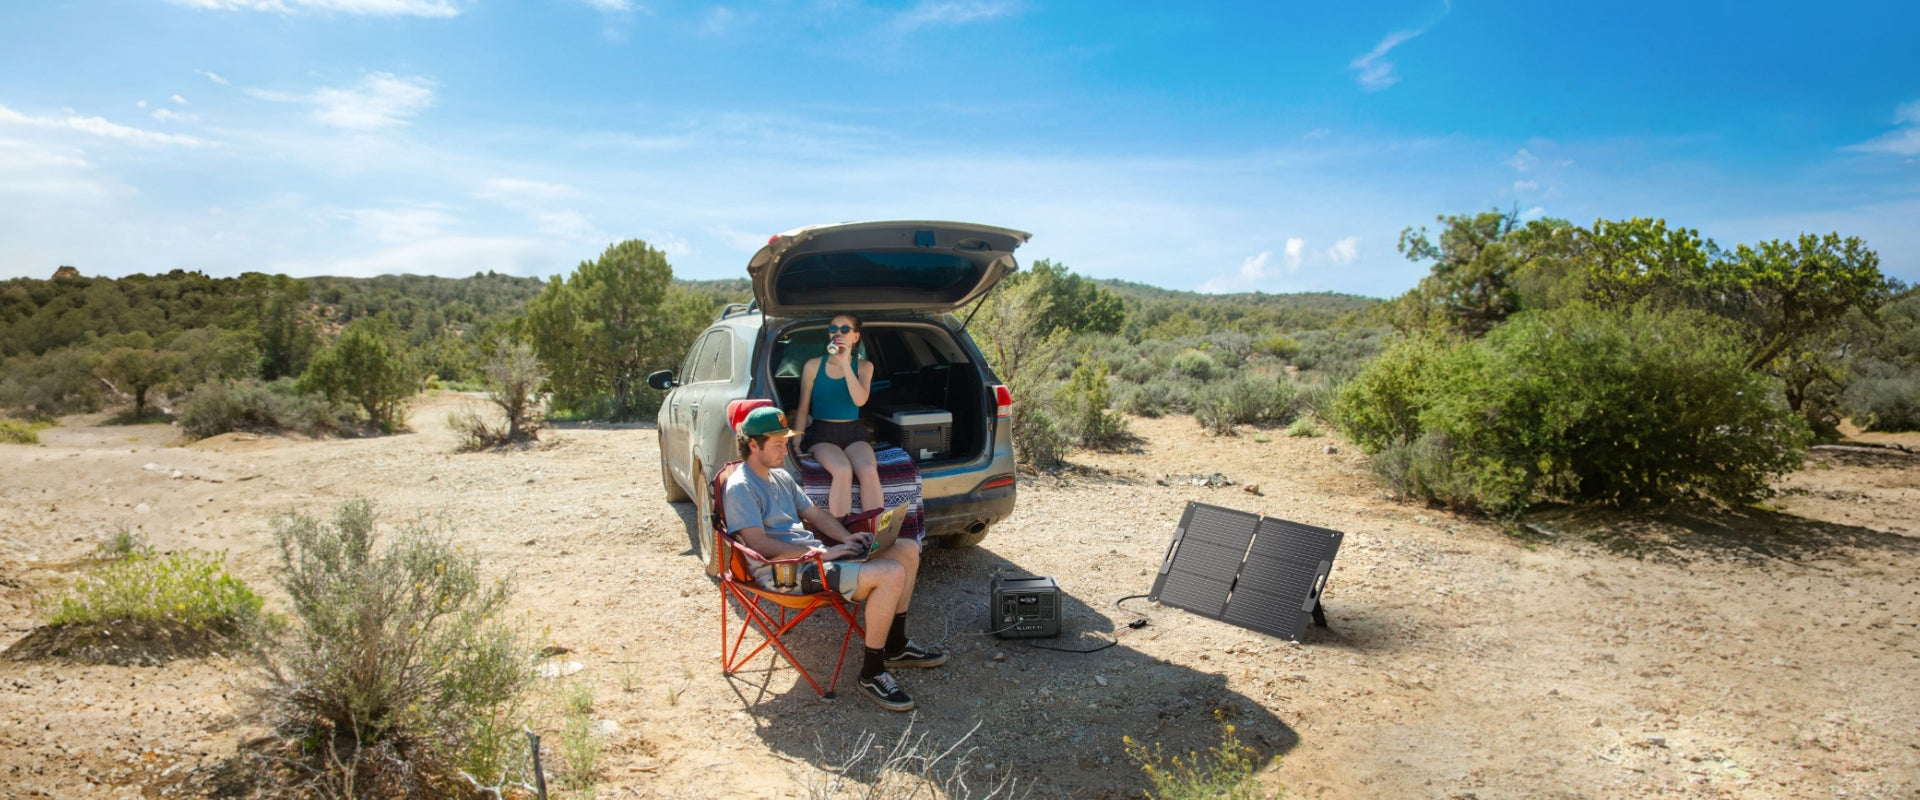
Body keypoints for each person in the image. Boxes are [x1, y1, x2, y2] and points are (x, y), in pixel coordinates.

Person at [723, 406, 946, 711]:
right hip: (785, 573)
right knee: (891, 574)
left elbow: (815, 513)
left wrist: (845, 539)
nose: (784, 450)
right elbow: (761, 546)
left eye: (785, 442)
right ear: (753, 445)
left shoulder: (780, 477)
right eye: (777, 444)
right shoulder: (741, 487)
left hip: (815, 559)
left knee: (907, 548)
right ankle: (872, 672)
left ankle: (895, 646)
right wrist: (824, 554)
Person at [792, 313, 884, 518]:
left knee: (868, 469)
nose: (838, 333)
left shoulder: (864, 367)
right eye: (833, 329)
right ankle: (842, 537)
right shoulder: (813, 365)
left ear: (856, 337)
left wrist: (844, 362)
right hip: (822, 433)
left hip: (853, 431)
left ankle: (874, 536)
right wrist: (797, 441)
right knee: (842, 470)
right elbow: (803, 406)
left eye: (845, 329)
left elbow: (860, 400)